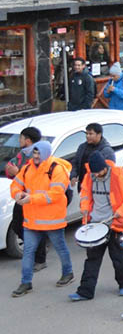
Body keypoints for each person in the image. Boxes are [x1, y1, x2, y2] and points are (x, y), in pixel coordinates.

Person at [68, 152, 123, 302]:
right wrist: (85, 208)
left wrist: (121, 211)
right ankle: (85, 291)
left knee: (118, 257)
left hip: (114, 224)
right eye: (94, 173)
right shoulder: (89, 176)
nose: (96, 175)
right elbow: (85, 195)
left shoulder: (119, 176)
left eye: (99, 172)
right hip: (95, 224)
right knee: (92, 259)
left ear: (105, 167)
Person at [10, 141, 74, 297]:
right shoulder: (27, 169)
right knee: (28, 252)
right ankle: (26, 283)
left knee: (60, 248)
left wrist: (30, 198)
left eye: (39, 153)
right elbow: (15, 185)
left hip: (52, 220)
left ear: (46, 153)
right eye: (34, 153)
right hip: (32, 220)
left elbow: (56, 193)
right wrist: (17, 194)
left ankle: (68, 273)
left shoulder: (57, 170)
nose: (36, 156)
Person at [6, 127, 48, 268]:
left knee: (36, 228)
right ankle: (35, 247)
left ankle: (40, 259)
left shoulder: (38, 155)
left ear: (28, 140)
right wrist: (10, 170)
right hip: (22, 197)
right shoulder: (22, 154)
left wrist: (17, 172)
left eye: (21, 138)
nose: (19, 141)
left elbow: (35, 176)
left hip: (34, 198)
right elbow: (12, 166)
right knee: (18, 226)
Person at [70, 123, 115, 191]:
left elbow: (108, 172)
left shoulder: (107, 151)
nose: (87, 136)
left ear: (99, 134)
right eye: (86, 133)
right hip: (83, 186)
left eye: (90, 134)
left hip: (98, 189)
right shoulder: (82, 147)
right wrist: (73, 175)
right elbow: (75, 162)